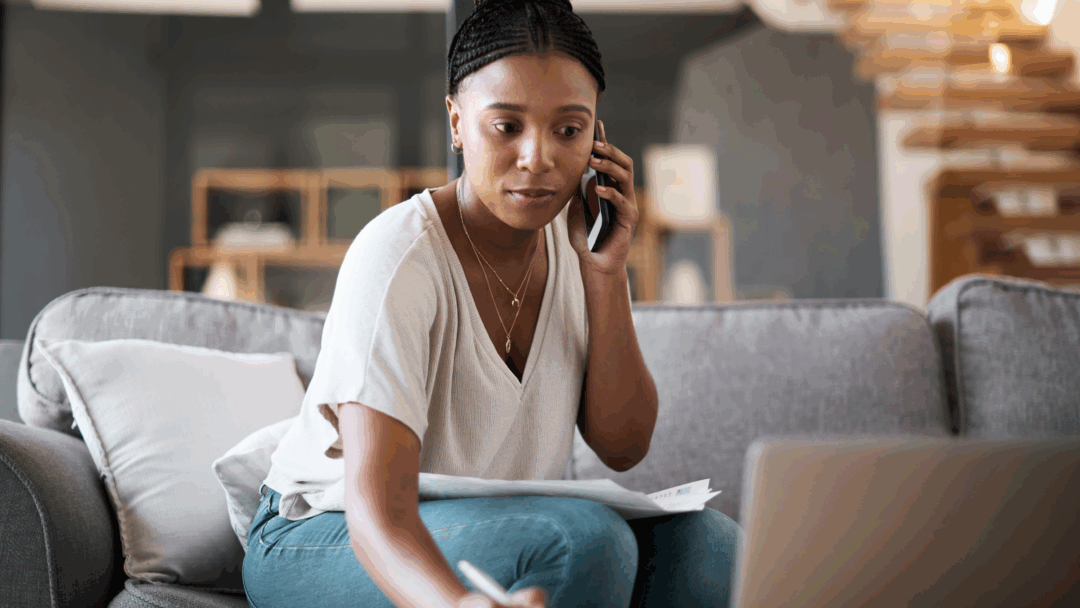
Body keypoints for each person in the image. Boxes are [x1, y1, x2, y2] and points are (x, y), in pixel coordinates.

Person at [242, 1, 741, 607]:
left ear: (597, 136)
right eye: (506, 127)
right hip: (321, 533)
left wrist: (605, 275)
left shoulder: (584, 242)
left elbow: (624, 445)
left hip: (486, 524)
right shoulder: (399, 256)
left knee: (708, 544)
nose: (539, 158)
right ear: (456, 123)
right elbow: (378, 510)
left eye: (569, 129)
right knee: (584, 543)